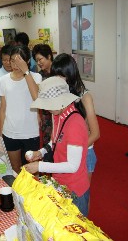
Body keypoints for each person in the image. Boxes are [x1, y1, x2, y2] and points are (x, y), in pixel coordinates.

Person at [24, 76, 90, 216]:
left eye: (48, 104)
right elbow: (55, 140)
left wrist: (39, 166)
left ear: (61, 102)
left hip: (74, 190)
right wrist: (41, 152)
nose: (46, 109)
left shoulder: (75, 124)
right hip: (60, 183)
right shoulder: (58, 115)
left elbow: (72, 166)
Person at [50, 54, 100, 186]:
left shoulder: (84, 96)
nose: (57, 80)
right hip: (62, 152)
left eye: (60, 76)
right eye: (54, 75)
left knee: (81, 196)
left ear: (70, 74)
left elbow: (95, 134)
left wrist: (73, 151)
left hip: (83, 152)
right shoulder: (57, 95)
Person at [0, 45, 42, 173]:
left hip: (30, 131)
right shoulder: (3, 80)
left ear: (27, 61)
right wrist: (1, 131)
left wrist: (26, 71)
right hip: (10, 131)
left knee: (33, 171)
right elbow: (3, 108)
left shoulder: (36, 77)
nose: (14, 64)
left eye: (18, 61)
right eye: (12, 60)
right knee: (15, 169)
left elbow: (36, 99)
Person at [32, 44, 54, 145]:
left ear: (49, 56)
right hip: (46, 114)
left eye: (40, 59)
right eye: (37, 61)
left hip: (62, 113)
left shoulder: (60, 71)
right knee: (47, 141)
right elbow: (36, 97)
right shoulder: (39, 76)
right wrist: (37, 114)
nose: (39, 63)